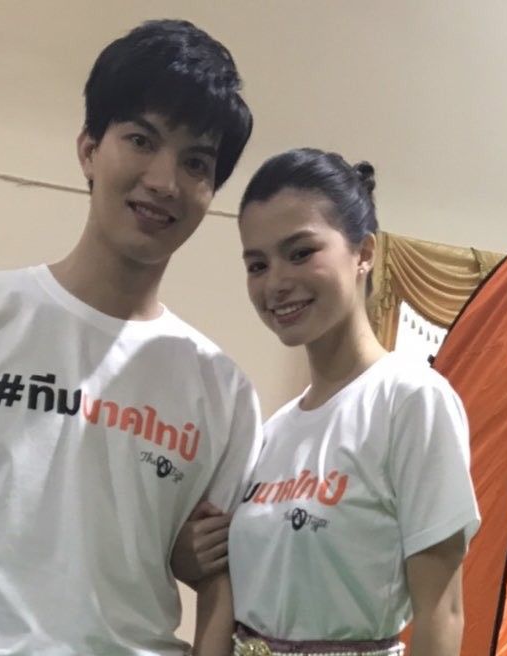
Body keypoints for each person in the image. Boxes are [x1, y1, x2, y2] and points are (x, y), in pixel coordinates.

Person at [0, 19, 263, 656]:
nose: (164, 180)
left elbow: (219, 581)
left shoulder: (222, 389)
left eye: (195, 163)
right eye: (141, 140)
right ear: (89, 148)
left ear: (212, 191)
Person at [179, 148, 481, 656]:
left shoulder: (410, 400)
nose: (276, 283)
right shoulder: (272, 432)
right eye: (258, 264)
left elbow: (442, 611)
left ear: (364, 253)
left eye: (300, 253)